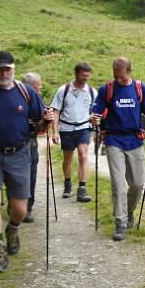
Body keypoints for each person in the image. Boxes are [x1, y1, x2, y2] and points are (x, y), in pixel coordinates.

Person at [0, 51, 53, 273]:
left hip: (20, 154)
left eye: (7, 68)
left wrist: (46, 122)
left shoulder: (26, 92)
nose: (3, 73)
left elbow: (38, 124)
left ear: (13, 68)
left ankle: (13, 229)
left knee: (19, 208)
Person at [90, 57, 145, 241]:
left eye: (121, 77)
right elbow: (96, 112)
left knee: (137, 184)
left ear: (129, 71)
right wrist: (95, 119)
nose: (118, 80)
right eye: (115, 76)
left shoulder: (140, 88)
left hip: (135, 140)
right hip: (114, 140)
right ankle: (120, 222)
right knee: (117, 183)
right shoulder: (108, 89)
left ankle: (129, 211)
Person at [51, 62, 97, 203]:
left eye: (87, 76)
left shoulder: (91, 92)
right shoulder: (63, 90)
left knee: (83, 155)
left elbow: (96, 110)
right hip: (66, 129)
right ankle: (67, 184)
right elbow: (56, 111)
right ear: (76, 74)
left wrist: (95, 120)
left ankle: (82, 189)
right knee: (68, 159)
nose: (85, 79)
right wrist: (55, 132)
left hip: (83, 127)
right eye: (83, 76)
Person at [21, 72, 46, 223]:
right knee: (14, 174)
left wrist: (46, 120)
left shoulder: (36, 98)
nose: (41, 86)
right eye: (39, 84)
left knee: (31, 174)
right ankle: (15, 203)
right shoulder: (14, 96)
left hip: (31, 141)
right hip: (16, 142)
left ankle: (27, 208)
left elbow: (41, 124)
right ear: (31, 86)